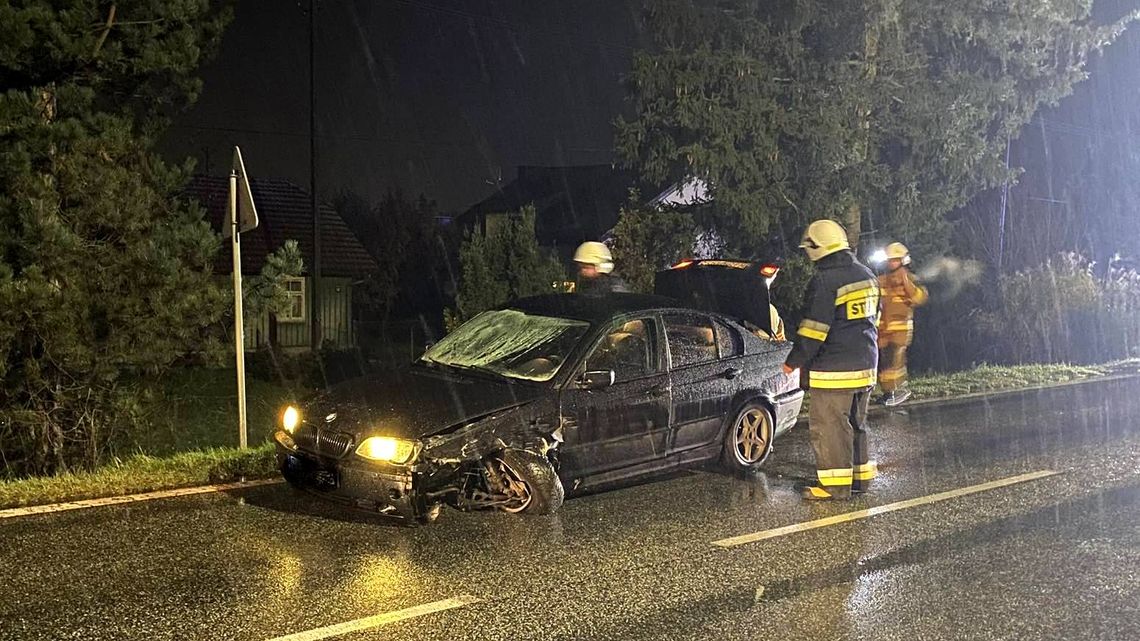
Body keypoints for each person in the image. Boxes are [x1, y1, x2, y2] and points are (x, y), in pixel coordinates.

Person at [782, 220, 880, 500]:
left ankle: (835, 487)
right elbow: (875, 320)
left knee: (830, 428)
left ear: (816, 247)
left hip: (835, 371)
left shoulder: (826, 281)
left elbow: (814, 330)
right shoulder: (867, 275)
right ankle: (861, 480)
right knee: (856, 423)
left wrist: (794, 361)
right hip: (866, 365)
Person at [876, 242, 928, 406]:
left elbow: (919, 298)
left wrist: (906, 282)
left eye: (895, 260)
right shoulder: (882, 280)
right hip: (882, 329)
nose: (892, 263)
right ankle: (887, 393)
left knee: (895, 362)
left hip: (900, 330)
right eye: (890, 260)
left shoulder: (911, 280)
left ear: (903, 260)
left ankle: (898, 391)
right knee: (884, 363)